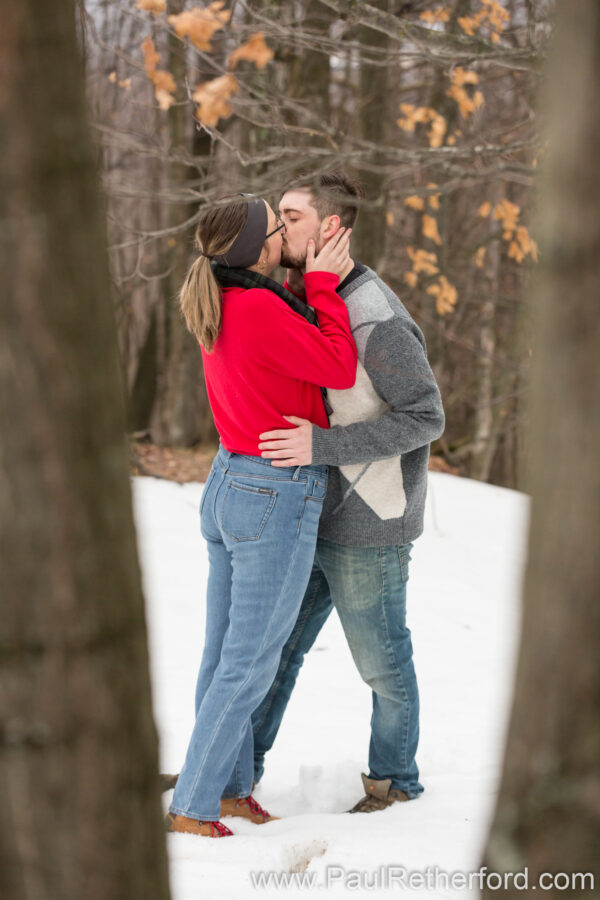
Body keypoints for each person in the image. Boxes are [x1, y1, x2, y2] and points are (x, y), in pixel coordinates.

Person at [251, 172, 446, 812]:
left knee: (382, 666)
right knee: (273, 654)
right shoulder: (304, 295)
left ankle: (394, 783)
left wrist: (322, 448)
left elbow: (426, 416)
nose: (279, 229)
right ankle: (232, 775)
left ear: (332, 228)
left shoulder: (378, 317)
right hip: (307, 516)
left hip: (370, 529)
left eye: (292, 216)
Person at [165, 193, 357, 837]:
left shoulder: (220, 298)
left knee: (225, 654)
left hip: (230, 483)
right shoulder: (258, 309)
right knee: (249, 662)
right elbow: (337, 364)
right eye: (279, 228)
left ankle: (228, 788)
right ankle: (193, 806)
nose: (285, 235)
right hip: (272, 494)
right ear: (262, 249)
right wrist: (325, 287)